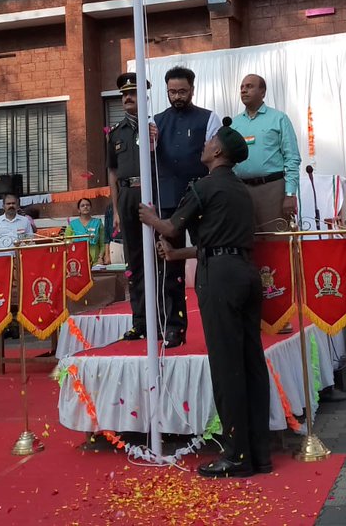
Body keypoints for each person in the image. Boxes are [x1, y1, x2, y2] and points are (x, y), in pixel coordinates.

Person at [139, 126, 271, 478]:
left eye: (210, 141)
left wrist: (150, 218)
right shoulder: (241, 191)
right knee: (252, 363)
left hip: (220, 278)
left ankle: (237, 456)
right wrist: (177, 254)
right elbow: (215, 243)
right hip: (245, 273)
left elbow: (171, 227)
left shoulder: (205, 186)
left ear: (217, 153)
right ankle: (260, 453)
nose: (205, 144)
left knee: (227, 368)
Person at [151, 66, 220, 348]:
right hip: (168, 202)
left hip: (200, 198)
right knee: (170, 265)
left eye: (182, 91)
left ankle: (216, 321)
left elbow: (216, 159)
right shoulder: (155, 121)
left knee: (211, 257)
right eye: (172, 92)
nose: (177, 96)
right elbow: (147, 157)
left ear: (192, 90)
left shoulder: (209, 118)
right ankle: (173, 328)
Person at [107, 72, 154, 341]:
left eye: (133, 93)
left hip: (151, 195)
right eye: (124, 94)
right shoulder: (116, 132)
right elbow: (112, 172)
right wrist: (115, 209)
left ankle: (161, 318)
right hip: (126, 196)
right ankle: (140, 322)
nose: (128, 98)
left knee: (158, 257)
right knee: (133, 261)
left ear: (143, 96)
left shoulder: (155, 127)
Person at [231, 74, 301, 232]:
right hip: (242, 191)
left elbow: (292, 158)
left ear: (262, 92)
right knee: (246, 240)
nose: (243, 90)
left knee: (276, 240)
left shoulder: (279, 118)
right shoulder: (234, 123)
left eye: (249, 86)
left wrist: (290, 193)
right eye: (242, 87)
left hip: (272, 190)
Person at [65, 198, 105, 268]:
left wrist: (100, 258)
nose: (85, 207)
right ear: (78, 210)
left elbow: (103, 243)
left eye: (87, 205)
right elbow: (66, 244)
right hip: (77, 262)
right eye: (82, 205)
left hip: (95, 263)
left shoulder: (97, 223)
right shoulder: (72, 225)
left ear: (91, 208)